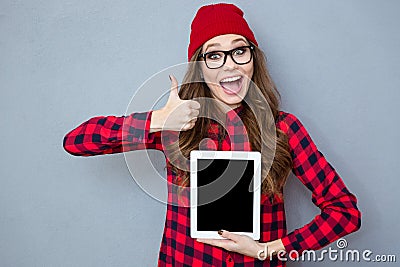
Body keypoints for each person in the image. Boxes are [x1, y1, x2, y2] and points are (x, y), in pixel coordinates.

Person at [63, 3, 361, 266]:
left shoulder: (284, 128)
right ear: (199, 67)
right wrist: (158, 119)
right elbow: (76, 142)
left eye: (239, 50)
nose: (229, 64)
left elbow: (345, 212)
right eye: (214, 55)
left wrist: (270, 250)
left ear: (253, 58)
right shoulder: (175, 127)